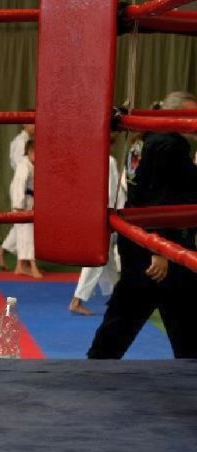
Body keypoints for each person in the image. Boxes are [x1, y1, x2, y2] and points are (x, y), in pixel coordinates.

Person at [87, 91, 197, 359]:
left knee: (138, 311)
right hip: (160, 248)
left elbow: (146, 192)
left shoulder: (144, 139)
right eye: (191, 114)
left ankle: (97, 362)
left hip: (139, 239)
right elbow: (160, 198)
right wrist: (160, 249)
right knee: (141, 310)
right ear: (175, 114)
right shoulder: (170, 145)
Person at [69, 146, 126, 315]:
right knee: (98, 257)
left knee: (107, 259)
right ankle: (77, 300)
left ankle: (118, 298)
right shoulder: (107, 161)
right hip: (103, 214)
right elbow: (110, 192)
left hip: (91, 212)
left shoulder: (87, 159)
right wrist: (113, 215)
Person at [0, 123, 35, 270]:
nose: (36, 126)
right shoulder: (21, 142)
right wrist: (19, 201)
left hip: (27, 185)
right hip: (21, 185)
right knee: (23, 224)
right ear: (25, 124)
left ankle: (2, 251)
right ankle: (24, 263)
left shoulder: (27, 140)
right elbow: (21, 166)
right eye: (32, 122)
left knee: (23, 224)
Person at [10, 139, 42, 278]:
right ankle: (32, 266)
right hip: (22, 205)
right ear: (29, 152)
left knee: (24, 235)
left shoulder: (31, 165)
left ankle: (20, 266)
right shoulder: (23, 166)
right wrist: (19, 206)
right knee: (27, 235)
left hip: (29, 203)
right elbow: (19, 187)